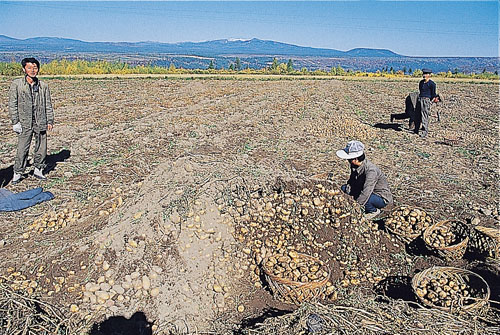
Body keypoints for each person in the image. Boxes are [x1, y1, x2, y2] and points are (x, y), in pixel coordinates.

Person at [9, 57, 54, 184]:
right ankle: (18, 172)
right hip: (24, 121)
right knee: (22, 148)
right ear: (24, 69)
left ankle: (38, 168)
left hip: (40, 120)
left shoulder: (43, 86)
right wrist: (15, 121)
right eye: (29, 67)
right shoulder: (17, 84)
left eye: (35, 67)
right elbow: (12, 104)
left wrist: (49, 120)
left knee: (41, 147)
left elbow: (48, 104)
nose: (33, 70)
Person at [336, 140, 393, 219]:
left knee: (367, 200)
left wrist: (355, 206)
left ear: (355, 159)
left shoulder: (371, 171)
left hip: (379, 196)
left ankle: (373, 211)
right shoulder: (354, 165)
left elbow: (367, 191)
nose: (347, 161)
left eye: (349, 159)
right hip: (363, 190)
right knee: (344, 188)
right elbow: (351, 181)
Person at [414, 68, 439, 137]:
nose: (424, 75)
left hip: (426, 100)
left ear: (429, 75)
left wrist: (431, 101)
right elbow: (420, 91)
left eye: (426, 74)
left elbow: (433, 94)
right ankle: (416, 129)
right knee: (417, 115)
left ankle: (424, 131)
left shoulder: (432, 84)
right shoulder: (421, 82)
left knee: (424, 116)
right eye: (423, 74)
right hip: (420, 99)